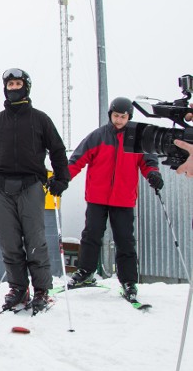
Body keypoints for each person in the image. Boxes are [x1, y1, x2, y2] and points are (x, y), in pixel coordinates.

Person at [0, 68, 70, 313]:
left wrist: (62, 178)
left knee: (34, 240)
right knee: (8, 241)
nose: (14, 88)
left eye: (18, 84)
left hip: (31, 184)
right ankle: (18, 287)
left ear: (26, 87)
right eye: (10, 85)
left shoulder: (40, 119)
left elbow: (58, 150)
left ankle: (41, 289)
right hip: (2, 186)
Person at [67, 97, 162, 301]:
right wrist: (63, 178)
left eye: (123, 117)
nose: (119, 120)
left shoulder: (137, 137)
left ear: (129, 117)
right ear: (110, 115)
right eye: (116, 116)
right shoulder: (99, 136)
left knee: (125, 241)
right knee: (91, 235)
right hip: (97, 197)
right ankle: (85, 272)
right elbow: (78, 159)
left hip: (123, 199)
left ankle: (128, 281)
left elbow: (149, 161)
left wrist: (153, 173)